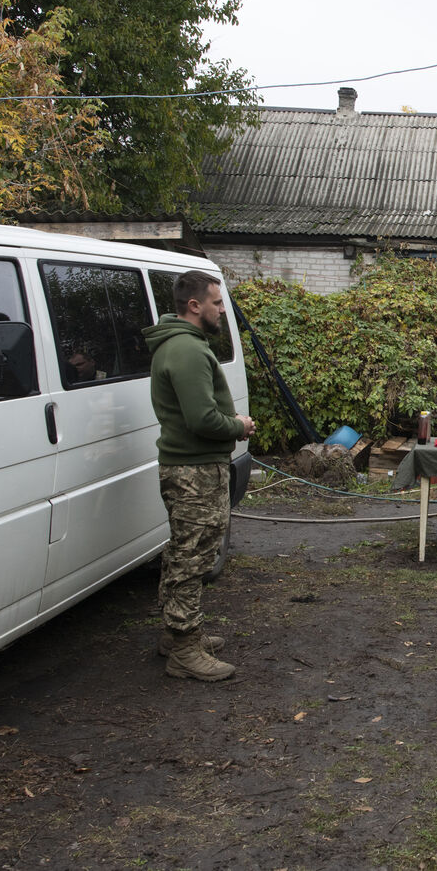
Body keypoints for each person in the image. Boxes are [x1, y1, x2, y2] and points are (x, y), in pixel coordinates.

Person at [142, 270, 255, 682]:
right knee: (192, 559)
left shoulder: (183, 344)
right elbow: (202, 419)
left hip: (193, 466)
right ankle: (184, 649)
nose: (222, 311)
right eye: (217, 303)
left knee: (185, 553)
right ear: (195, 305)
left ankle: (177, 634)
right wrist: (238, 425)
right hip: (193, 470)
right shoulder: (187, 350)